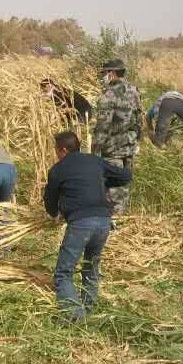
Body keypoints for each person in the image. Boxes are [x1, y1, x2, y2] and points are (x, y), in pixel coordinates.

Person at [43, 131, 132, 321]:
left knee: (63, 273)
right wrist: (100, 180)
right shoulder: (94, 161)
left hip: (81, 224)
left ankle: (76, 317)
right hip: (103, 222)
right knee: (91, 266)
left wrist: (54, 215)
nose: (56, 153)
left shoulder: (58, 170)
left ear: (64, 150)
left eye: (56, 150)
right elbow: (125, 176)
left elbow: (50, 202)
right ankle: (89, 309)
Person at [91, 59, 142, 216]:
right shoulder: (134, 90)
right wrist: (137, 139)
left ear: (112, 73)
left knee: (113, 187)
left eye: (105, 73)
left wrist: (94, 150)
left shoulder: (108, 96)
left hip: (112, 149)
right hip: (130, 145)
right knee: (124, 182)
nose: (103, 77)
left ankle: (114, 218)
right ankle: (122, 215)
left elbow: (102, 127)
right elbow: (139, 117)